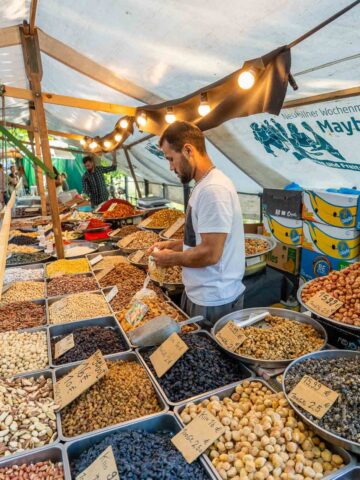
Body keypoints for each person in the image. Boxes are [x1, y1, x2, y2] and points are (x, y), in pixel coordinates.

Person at [149, 121, 245, 328]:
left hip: (214, 299)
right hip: (200, 293)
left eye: (171, 159)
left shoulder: (214, 190)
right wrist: (173, 245)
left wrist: (171, 259)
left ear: (188, 150)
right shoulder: (203, 185)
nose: (171, 167)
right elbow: (201, 241)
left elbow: (210, 253)